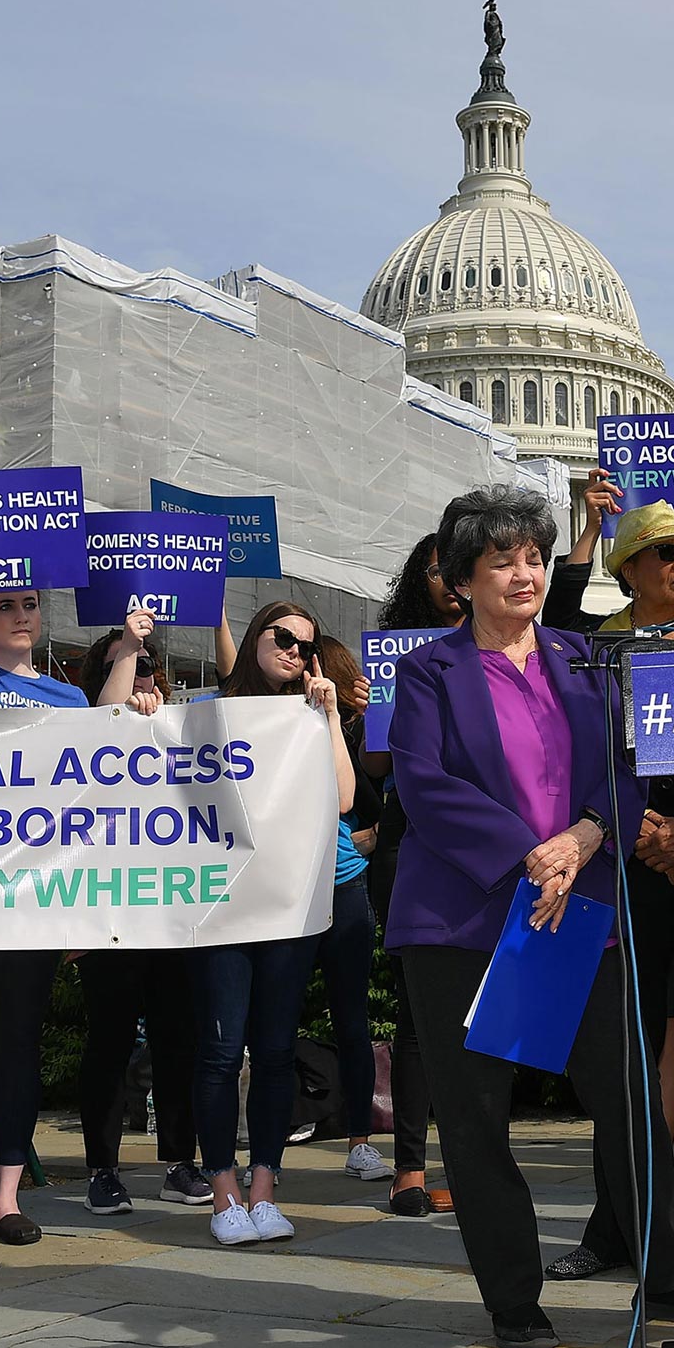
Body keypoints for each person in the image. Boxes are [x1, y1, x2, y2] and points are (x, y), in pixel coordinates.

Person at [386, 485, 674, 1348]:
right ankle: (513, 1296)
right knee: (476, 1119)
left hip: (583, 914)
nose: (526, 571)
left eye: (534, 556)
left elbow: (628, 766)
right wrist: (529, 854)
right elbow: (423, 785)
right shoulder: (427, 670)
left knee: (630, 1102)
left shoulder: (586, 657)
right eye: (503, 558)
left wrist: (581, 838)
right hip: (464, 924)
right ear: (462, 579)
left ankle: (668, 1269)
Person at [538, 498, 674, 1290]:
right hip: (623, 871)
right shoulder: (590, 652)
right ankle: (618, 1228)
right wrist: (647, 837)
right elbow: (570, 764)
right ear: (626, 569)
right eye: (665, 553)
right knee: (623, 1060)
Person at [0, 573, 136, 1259]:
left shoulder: (66, 694)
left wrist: (128, 648)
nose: (19, 615)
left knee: (20, 1046)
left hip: (38, 898)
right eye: (3, 605)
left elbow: (105, 741)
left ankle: (5, 1198)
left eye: (29, 604)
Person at [187, 600, 359, 1246]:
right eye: (280, 636)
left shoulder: (309, 715)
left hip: (289, 907)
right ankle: (223, 1188)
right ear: (254, 635)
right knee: (222, 1051)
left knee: (278, 1050)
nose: (292, 649)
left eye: (304, 644)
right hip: (220, 907)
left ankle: (264, 1184)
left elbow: (343, 798)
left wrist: (330, 713)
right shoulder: (207, 706)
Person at [69, 622, 207, 1211]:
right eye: (130, 665)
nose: (144, 676)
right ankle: (102, 1168)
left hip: (170, 914)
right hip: (107, 915)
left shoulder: (184, 733)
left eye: (150, 666)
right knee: (110, 1042)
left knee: (178, 1042)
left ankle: (180, 1161)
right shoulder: (83, 727)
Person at [371, 533, 465, 1215]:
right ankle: (410, 1166)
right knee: (417, 1013)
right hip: (413, 841)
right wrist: (364, 718)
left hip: (495, 845)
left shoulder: (510, 644)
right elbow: (379, 771)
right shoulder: (397, 651)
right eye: (437, 568)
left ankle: (467, 1159)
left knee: (477, 1016)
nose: (450, 579)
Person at [312, 636, 395, 1185]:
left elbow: (371, 801)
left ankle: (361, 1141)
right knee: (265, 1022)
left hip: (343, 885)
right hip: (282, 890)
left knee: (350, 1017)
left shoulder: (348, 729)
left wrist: (364, 843)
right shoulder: (267, 719)